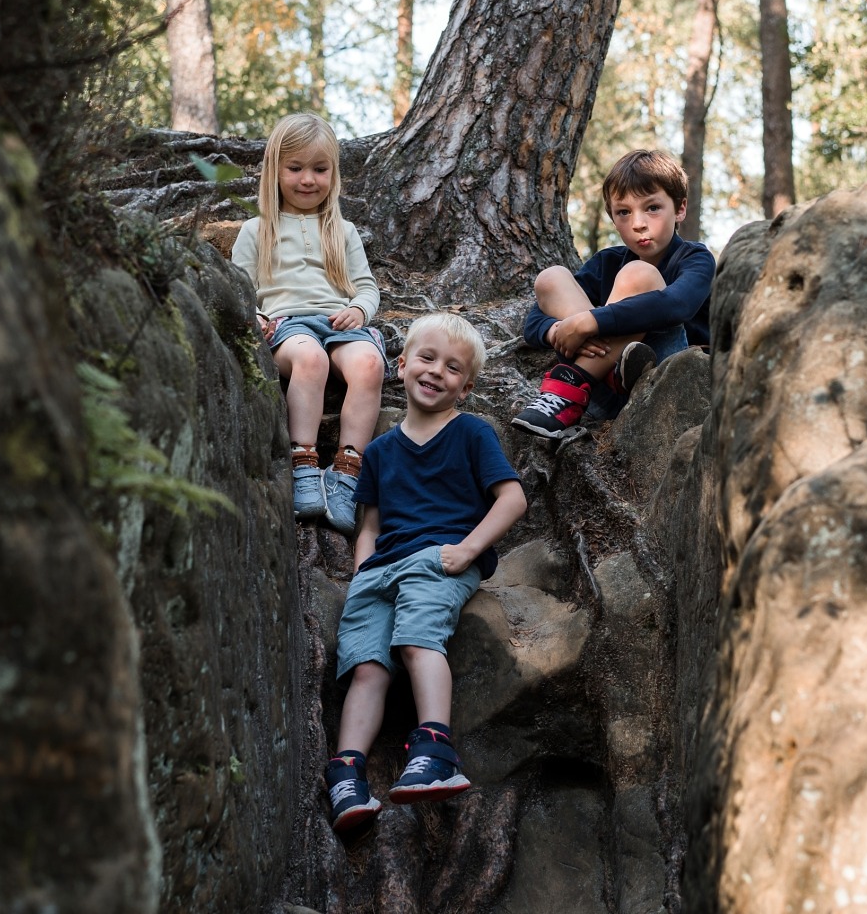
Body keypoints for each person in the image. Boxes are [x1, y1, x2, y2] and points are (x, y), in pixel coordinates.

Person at [324, 313, 527, 833]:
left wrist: (467, 550)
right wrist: (361, 571)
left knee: (417, 641)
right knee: (367, 667)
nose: (436, 371)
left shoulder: (472, 434)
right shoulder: (381, 450)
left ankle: (435, 748)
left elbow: (512, 498)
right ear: (402, 364)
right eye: (427, 358)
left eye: (453, 367)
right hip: (379, 572)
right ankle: (347, 773)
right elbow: (369, 522)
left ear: (467, 385)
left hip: (438, 559)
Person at [231, 113, 385, 533]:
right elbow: (240, 287)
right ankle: (304, 464)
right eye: (295, 168)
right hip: (287, 325)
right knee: (311, 360)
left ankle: (347, 472)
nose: (307, 180)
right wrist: (258, 316)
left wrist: (360, 310)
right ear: (274, 170)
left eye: (319, 169)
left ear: (333, 174)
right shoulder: (255, 229)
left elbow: (367, 288)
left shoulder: (342, 230)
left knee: (370, 365)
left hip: (340, 323)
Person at [511, 149, 714, 440]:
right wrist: (558, 329)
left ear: (680, 209)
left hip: (665, 383)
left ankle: (567, 385)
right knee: (550, 278)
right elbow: (534, 322)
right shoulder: (606, 263)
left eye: (652, 208)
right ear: (612, 217)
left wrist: (588, 323)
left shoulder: (695, 258)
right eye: (624, 212)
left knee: (639, 275)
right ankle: (598, 374)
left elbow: (677, 305)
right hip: (602, 392)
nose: (638, 223)